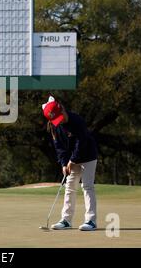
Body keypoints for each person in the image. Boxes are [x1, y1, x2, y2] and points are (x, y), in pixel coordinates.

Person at [42, 96, 98, 231]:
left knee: (87, 186)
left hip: (88, 156)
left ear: (62, 109)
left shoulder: (77, 121)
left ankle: (91, 221)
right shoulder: (55, 126)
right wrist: (63, 163)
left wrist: (72, 160)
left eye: (60, 117)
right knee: (70, 187)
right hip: (71, 160)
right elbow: (59, 147)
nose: (60, 122)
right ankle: (66, 220)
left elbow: (81, 142)